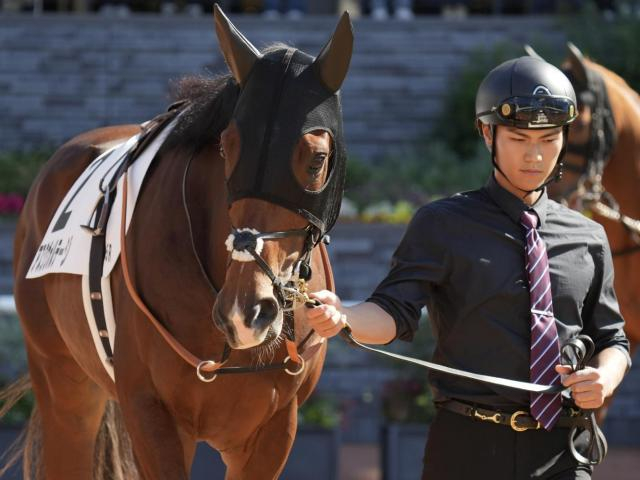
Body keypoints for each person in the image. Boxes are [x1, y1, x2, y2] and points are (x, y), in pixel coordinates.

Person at [302, 56, 631, 479]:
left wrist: (603, 378)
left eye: (550, 139)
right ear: (486, 132)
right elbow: (393, 312)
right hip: (466, 449)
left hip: (563, 451)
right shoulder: (442, 224)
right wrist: (344, 315)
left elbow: (612, 339)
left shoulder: (589, 235)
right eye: (517, 138)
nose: (535, 155)